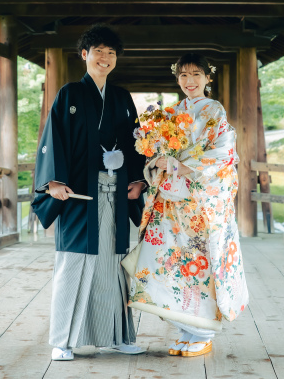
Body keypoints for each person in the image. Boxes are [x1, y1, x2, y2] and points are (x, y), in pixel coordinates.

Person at [31, 24, 148, 361]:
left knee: (113, 264)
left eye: (111, 53)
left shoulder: (123, 98)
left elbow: (136, 143)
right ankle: (62, 340)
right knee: (74, 263)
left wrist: (138, 179)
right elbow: (53, 138)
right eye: (98, 51)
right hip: (79, 194)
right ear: (84, 55)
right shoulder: (69, 94)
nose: (105, 58)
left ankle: (117, 336)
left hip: (114, 191)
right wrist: (52, 181)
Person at [128, 53, 249, 358]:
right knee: (176, 264)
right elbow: (157, 152)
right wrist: (156, 156)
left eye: (196, 74)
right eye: (183, 76)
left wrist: (185, 167)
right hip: (173, 203)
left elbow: (223, 154)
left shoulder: (214, 111)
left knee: (201, 262)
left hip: (200, 202)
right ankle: (185, 329)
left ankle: (204, 331)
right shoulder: (172, 112)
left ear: (209, 78)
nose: (189, 81)